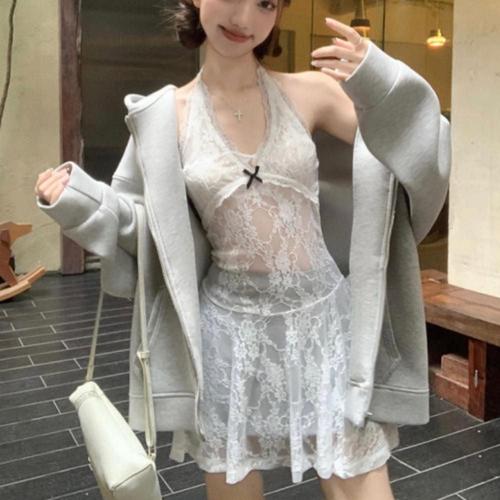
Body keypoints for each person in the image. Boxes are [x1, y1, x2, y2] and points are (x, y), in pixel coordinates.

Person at [35, 1, 451, 499]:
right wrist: (79, 201)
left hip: (324, 328)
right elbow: (143, 227)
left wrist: (382, 85)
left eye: (266, 3)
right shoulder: (163, 116)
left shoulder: (312, 92)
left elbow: (420, 154)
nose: (244, 18)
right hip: (229, 342)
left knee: (361, 481)